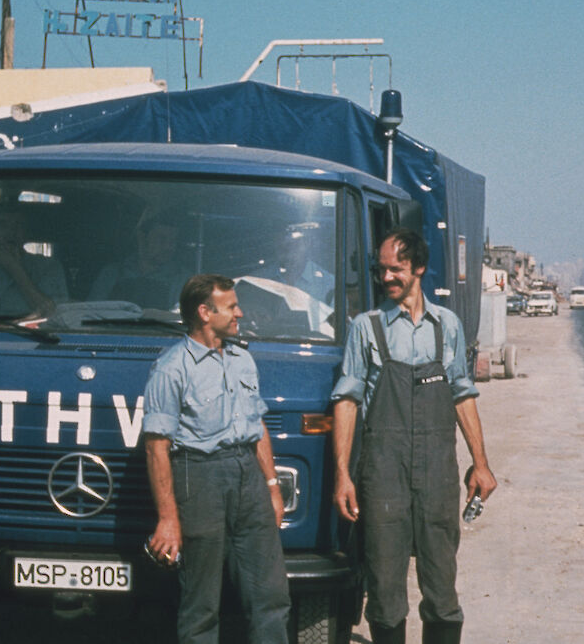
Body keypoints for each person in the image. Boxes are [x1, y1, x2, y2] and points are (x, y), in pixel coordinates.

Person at [331, 229, 498, 644]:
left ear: (418, 268)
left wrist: (481, 463)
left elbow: (462, 395)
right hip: (383, 473)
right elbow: (347, 402)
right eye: (381, 269)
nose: (386, 277)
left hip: (439, 474)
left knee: (441, 591)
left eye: (396, 269)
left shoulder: (448, 326)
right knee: (385, 593)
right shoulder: (365, 328)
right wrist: (343, 475)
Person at [143, 274, 291, 644]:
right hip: (200, 479)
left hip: (249, 479)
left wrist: (271, 487)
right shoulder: (171, 368)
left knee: (270, 596)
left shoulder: (242, 360)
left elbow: (257, 426)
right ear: (204, 312)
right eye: (231, 307)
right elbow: (156, 446)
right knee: (201, 604)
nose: (240, 312)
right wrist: (168, 519)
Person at [88, 207, 190, 309]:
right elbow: (91, 312)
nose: (169, 247)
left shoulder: (181, 279)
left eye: (173, 241)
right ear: (142, 238)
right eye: (161, 239)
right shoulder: (111, 274)